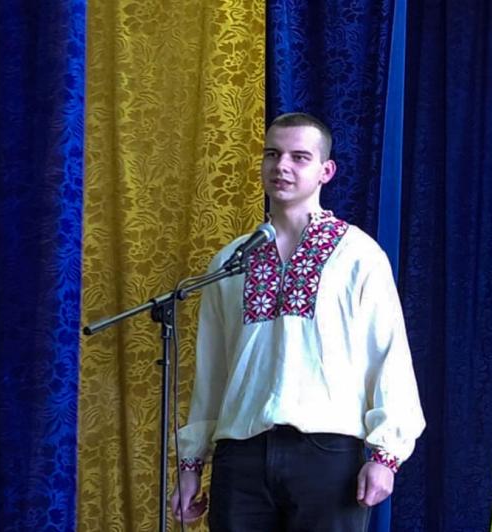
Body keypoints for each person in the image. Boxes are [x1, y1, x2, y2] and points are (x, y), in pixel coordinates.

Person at [171, 112, 425, 531]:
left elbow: (389, 355)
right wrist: (191, 464)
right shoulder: (231, 261)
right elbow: (212, 371)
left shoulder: (358, 255)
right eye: (272, 154)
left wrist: (386, 456)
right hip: (241, 454)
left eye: (299, 156)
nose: (282, 166)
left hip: (326, 453)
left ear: (326, 171)